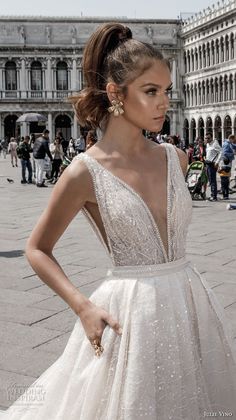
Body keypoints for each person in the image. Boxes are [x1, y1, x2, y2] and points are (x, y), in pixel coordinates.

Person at [3, 22, 236, 419]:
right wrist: (82, 306)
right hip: (129, 313)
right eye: (150, 91)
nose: (164, 102)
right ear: (115, 93)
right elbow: (37, 248)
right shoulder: (83, 172)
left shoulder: (174, 159)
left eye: (166, 90)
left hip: (189, 301)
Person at [204, 132, 222, 201]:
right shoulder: (208, 144)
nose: (207, 139)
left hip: (212, 164)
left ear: (211, 138)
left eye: (208, 138)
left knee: (213, 180)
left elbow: (221, 152)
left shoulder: (215, 144)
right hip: (208, 163)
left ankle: (214, 196)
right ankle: (212, 194)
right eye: (206, 138)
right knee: (210, 180)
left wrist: (217, 162)